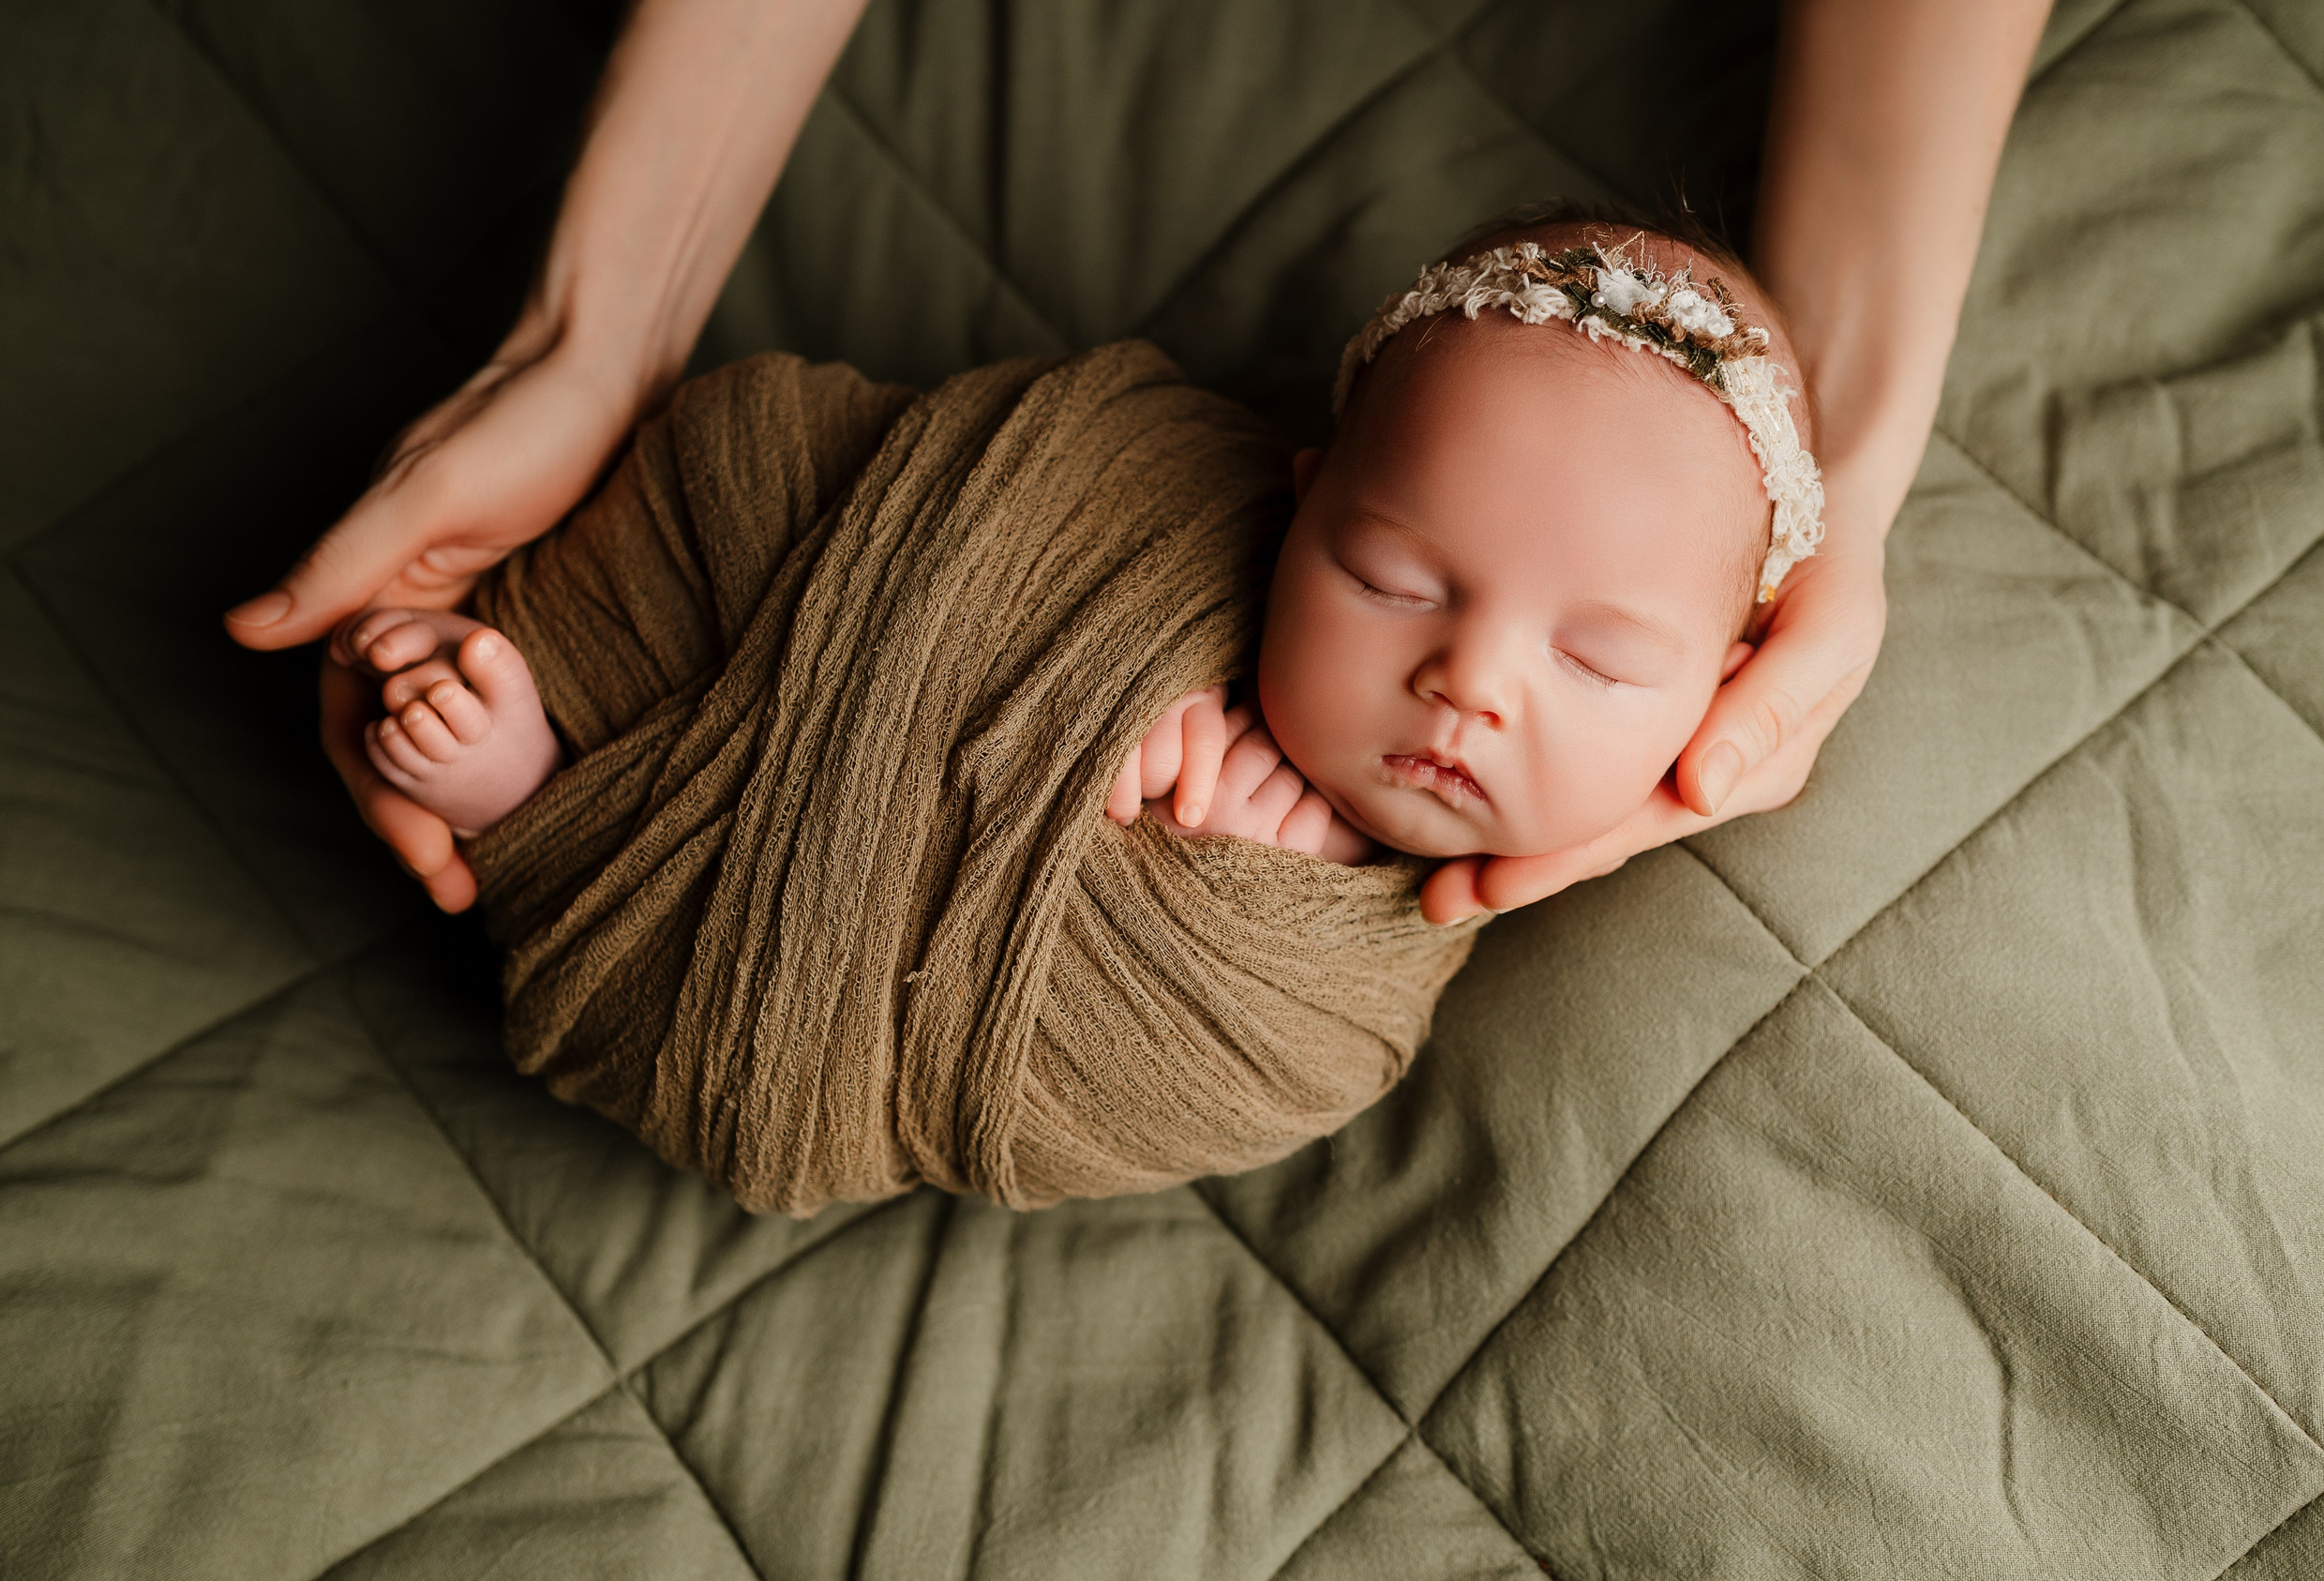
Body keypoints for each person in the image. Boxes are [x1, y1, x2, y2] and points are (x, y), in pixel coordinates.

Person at [223, 0, 2058, 926]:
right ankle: (550, 778)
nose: (1463, 678)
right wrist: (590, 337)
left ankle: (557, 799)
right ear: (1301, 485)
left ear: (1726, 668)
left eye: (1600, 658)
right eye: (1388, 574)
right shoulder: (1166, 528)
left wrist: (1847, 480)